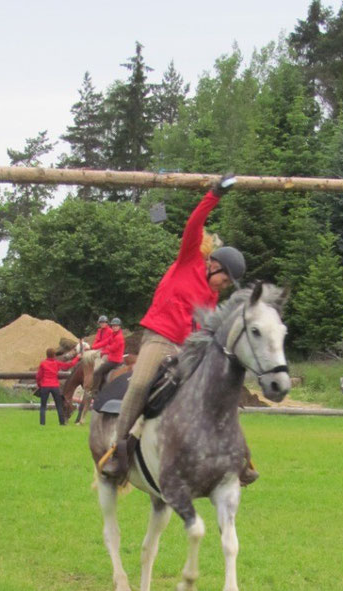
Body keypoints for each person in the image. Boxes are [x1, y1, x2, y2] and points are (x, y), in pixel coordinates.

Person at [101, 174, 251, 481]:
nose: (225, 286)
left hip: (188, 349)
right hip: (159, 337)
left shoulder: (211, 297)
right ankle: (119, 448)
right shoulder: (189, 260)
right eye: (226, 279)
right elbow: (195, 223)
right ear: (215, 265)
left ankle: (239, 455)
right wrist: (214, 195)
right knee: (141, 383)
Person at [35, 347, 80, 425]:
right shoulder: (56, 363)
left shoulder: (43, 363)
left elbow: (39, 376)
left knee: (43, 406)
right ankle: (62, 422)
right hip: (55, 385)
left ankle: (42, 423)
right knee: (59, 405)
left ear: (47, 355)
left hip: (45, 385)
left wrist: (39, 385)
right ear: (54, 355)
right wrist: (77, 358)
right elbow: (68, 365)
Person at [91, 317, 126, 395]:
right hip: (111, 358)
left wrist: (102, 352)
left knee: (97, 372)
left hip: (115, 361)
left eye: (116, 326)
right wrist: (92, 347)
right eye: (113, 326)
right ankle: (101, 387)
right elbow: (105, 342)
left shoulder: (119, 337)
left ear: (119, 327)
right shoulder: (113, 335)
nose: (114, 327)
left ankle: (94, 392)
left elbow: (112, 349)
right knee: (102, 371)